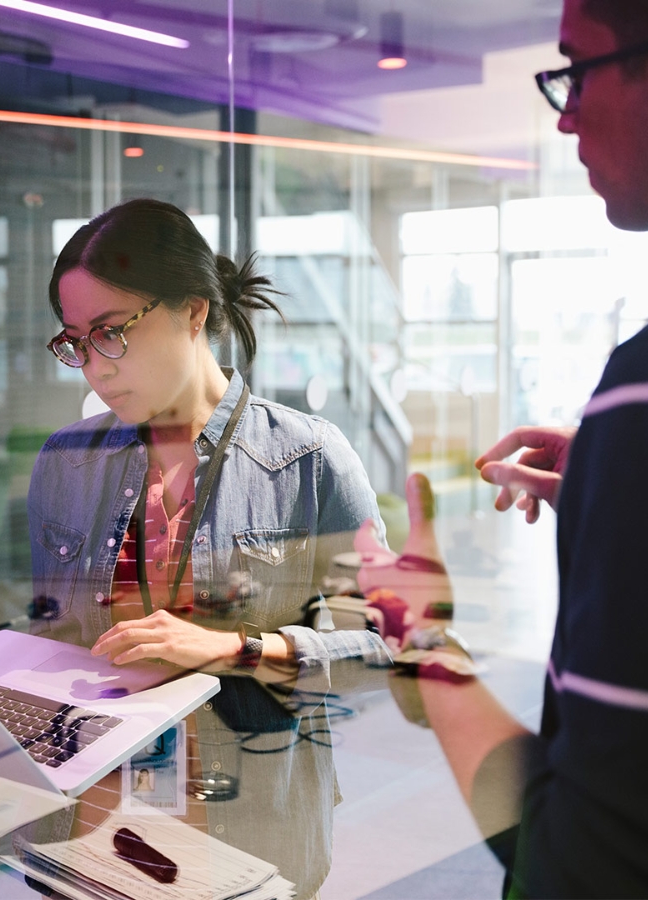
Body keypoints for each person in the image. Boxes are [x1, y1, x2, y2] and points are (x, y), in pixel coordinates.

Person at [356, 1, 648, 896]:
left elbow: (596, 866)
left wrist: (424, 642)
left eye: (576, 70)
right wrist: (638, 475)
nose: (565, 113)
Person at [24, 197, 391, 897]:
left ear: (194, 312)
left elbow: (381, 644)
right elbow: (50, 638)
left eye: (110, 332)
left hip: (244, 836)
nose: (91, 367)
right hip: (90, 832)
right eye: (74, 341)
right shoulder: (65, 462)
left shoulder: (309, 459)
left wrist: (233, 649)